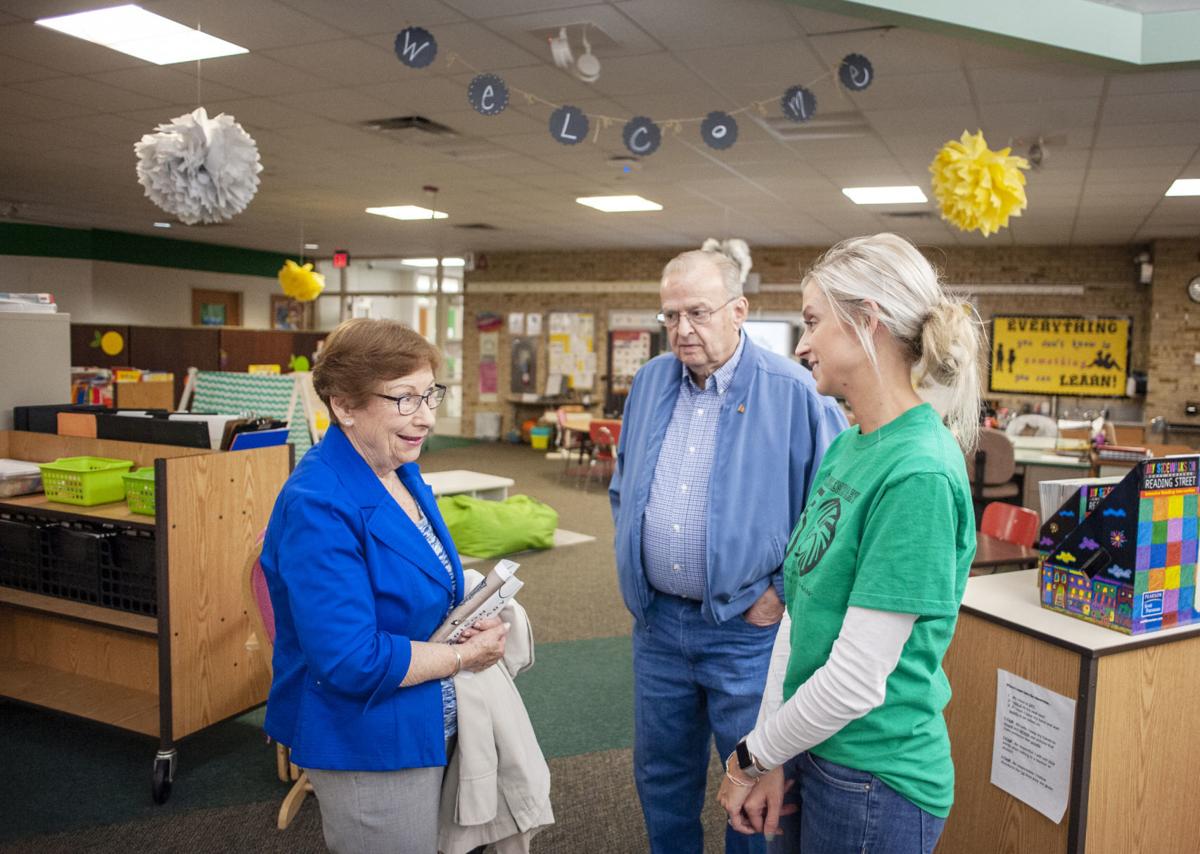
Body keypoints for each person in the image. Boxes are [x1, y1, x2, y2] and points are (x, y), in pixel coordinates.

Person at [717, 233, 982, 854]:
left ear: (868, 321)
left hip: (875, 778)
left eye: (813, 321)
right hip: (811, 746)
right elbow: (799, 615)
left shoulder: (919, 471)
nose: (802, 343)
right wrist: (775, 747)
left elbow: (858, 678)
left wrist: (751, 757)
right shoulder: (849, 443)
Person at [610, 238, 847, 854]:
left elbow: (831, 516)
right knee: (662, 778)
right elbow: (624, 488)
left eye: (698, 313)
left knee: (752, 790)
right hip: (659, 626)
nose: (682, 329)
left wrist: (775, 598)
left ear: (738, 311)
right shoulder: (650, 383)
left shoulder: (794, 391)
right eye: (670, 316)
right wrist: (636, 573)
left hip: (746, 631)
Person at [259, 317, 510, 853]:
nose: (425, 418)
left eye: (429, 395)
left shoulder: (399, 469)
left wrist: (470, 610)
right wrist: (464, 657)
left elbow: (414, 573)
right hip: (365, 740)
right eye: (403, 399)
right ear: (344, 405)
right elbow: (352, 660)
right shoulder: (319, 504)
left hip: (420, 716)